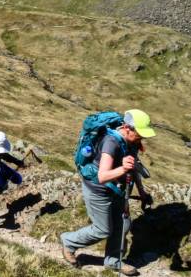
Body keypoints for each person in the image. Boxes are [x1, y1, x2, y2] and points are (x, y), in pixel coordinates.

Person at [60, 109, 156, 276]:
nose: (142, 138)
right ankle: (68, 242)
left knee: (123, 224)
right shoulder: (111, 142)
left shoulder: (131, 142)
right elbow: (103, 176)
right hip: (98, 190)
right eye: (140, 134)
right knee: (102, 229)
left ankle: (113, 261)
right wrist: (122, 168)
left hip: (117, 190)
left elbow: (133, 167)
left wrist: (141, 192)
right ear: (127, 127)